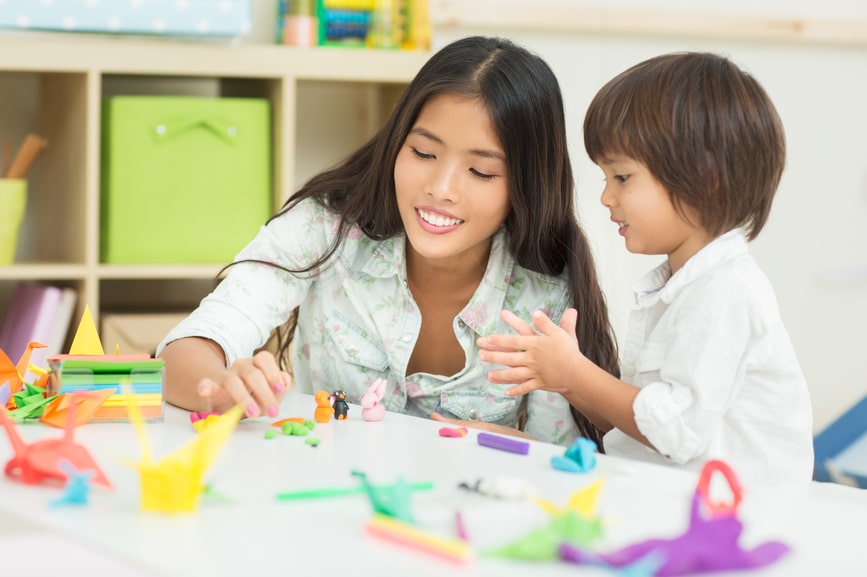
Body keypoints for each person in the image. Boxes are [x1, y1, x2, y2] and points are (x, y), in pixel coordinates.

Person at [156, 36, 619, 447]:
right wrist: (217, 385)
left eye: (481, 171)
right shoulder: (324, 228)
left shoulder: (548, 292)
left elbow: (565, 462)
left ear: (525, 185)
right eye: (422, 152)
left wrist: (521, 450)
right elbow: (190, 346)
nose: (441, 187)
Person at [477, 52, 814, 485]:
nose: (605, 198)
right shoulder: (687, 284)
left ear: (703, 177)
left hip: (734, 520)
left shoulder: (725, 290)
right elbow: (640, 423)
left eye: (621, 177)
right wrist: (565, 378)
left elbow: (675, 429)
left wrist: (574, 372)